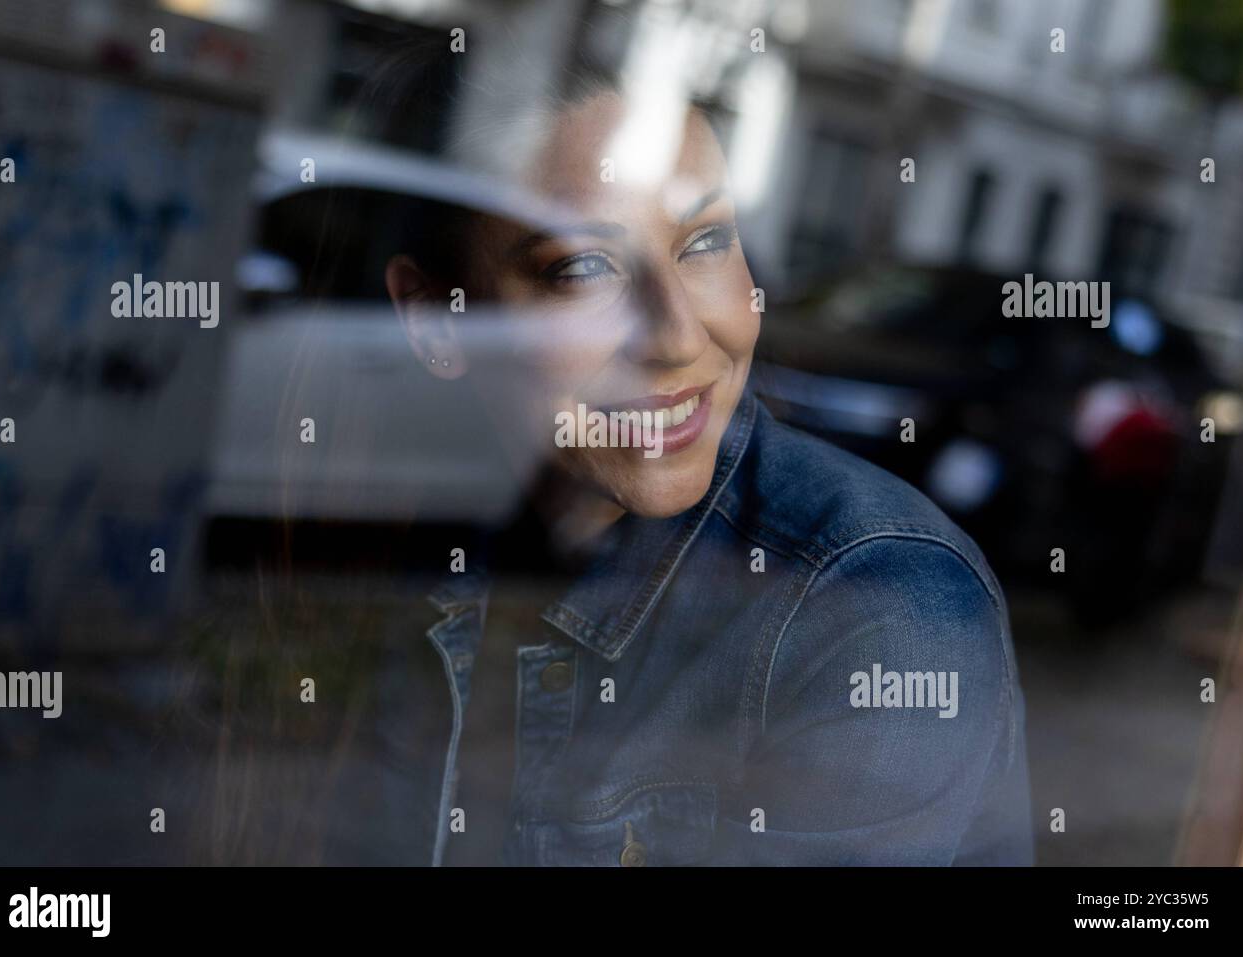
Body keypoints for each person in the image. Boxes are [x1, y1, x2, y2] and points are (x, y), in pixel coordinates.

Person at [350, 33, 1035, 865]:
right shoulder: (400, 530)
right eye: (583, 268)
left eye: (705, 241)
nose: (678, 337)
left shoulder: (882, 601)